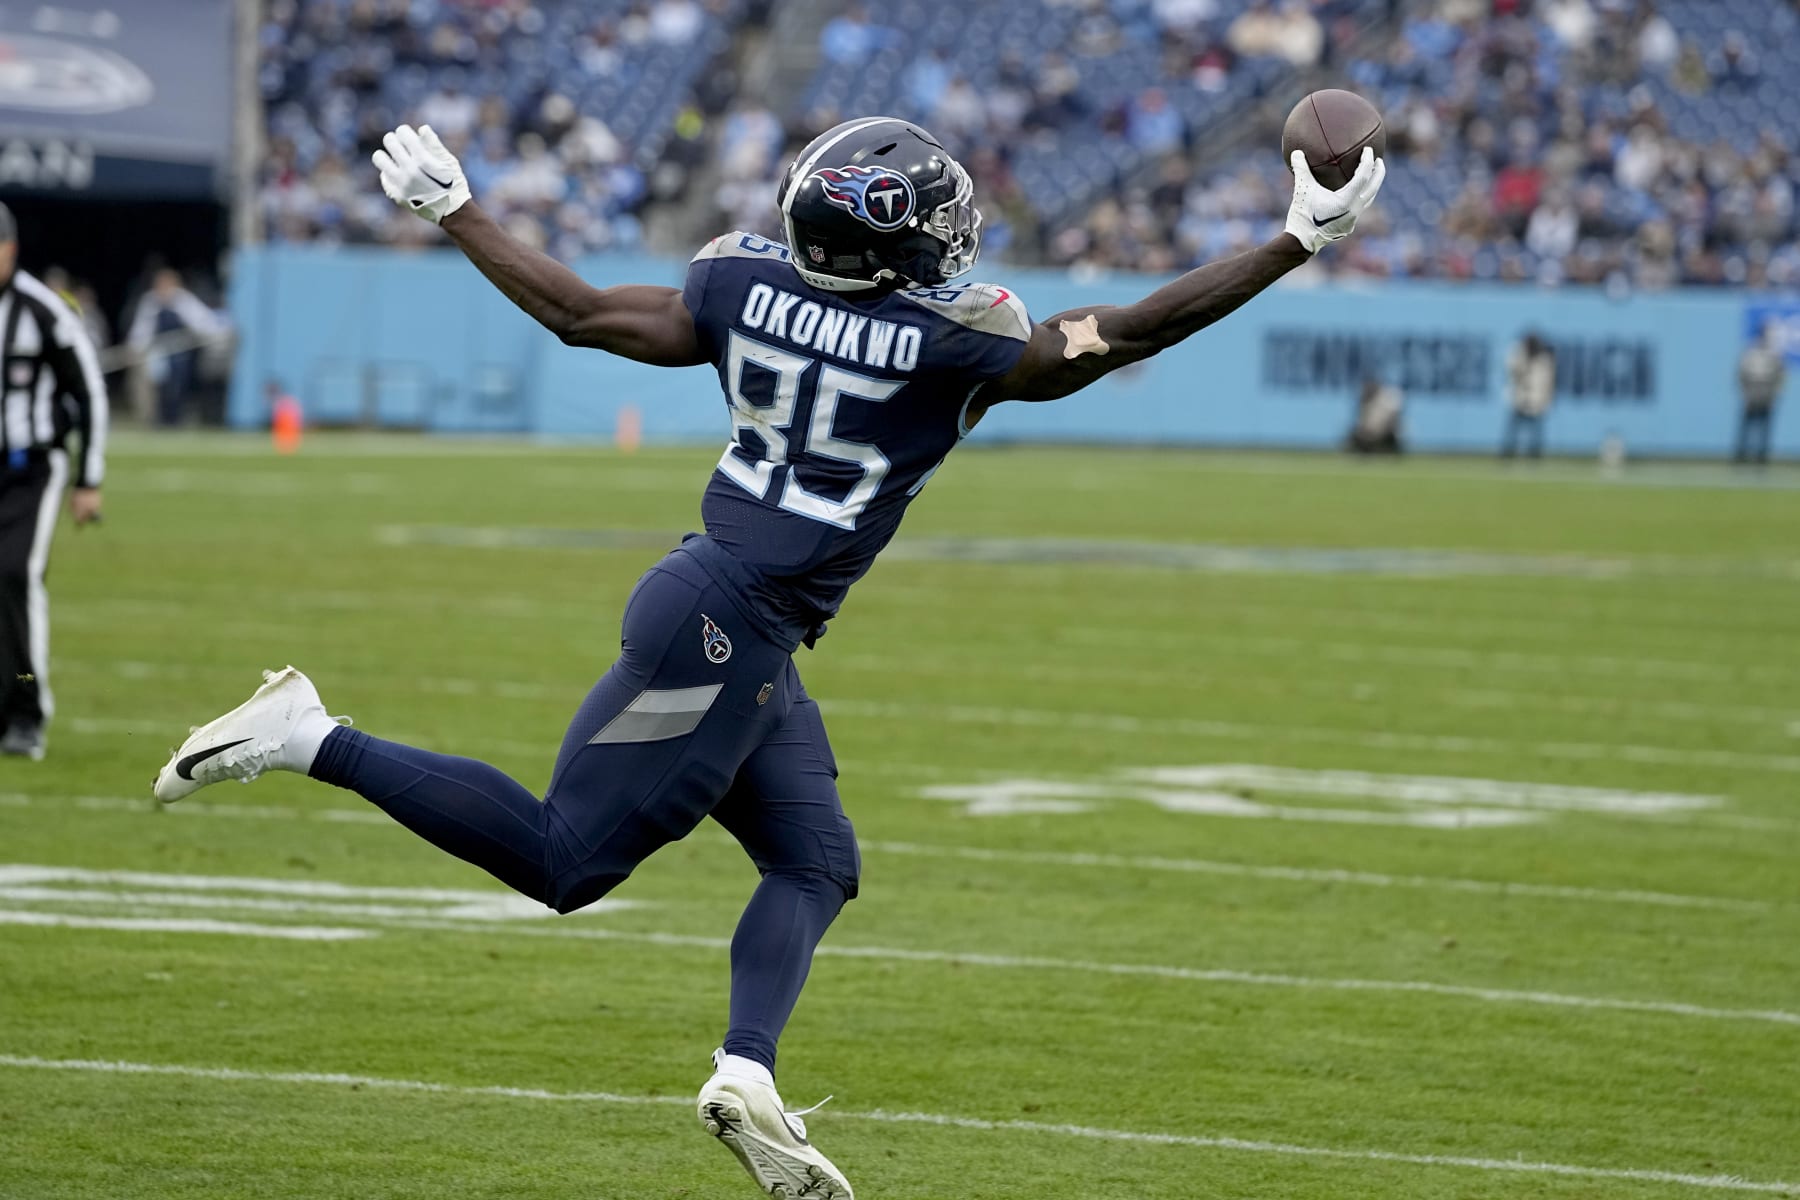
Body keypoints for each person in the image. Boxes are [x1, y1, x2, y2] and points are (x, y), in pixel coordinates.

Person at [154, 119, 1385, 1198]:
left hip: (730, 611)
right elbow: (1132, 327)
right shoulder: (959, 344)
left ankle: (747, 1075)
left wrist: (457, 212)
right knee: (561, 860)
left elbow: (582, 315)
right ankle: (310, 734)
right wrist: (1294, 242)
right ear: (896, 248)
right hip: (720, 632)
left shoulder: (739, 283)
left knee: (816, 860)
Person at [0, 202, 108, 760]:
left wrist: (89, 479)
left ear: (11, 248)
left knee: (16, 576)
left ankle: (27, 711)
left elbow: (88, 391)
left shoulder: (43, 311)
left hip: (31, 469)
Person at [126, 268, 230, 426]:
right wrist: (135, 348)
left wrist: (217, 334)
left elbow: (203, 322)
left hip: (179, 354)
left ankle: (175, 419)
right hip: (158, 353)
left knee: (177, 386)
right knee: (156, 386)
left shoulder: (183, 301)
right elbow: (141, 331)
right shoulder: (150, 302)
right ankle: (157, 420)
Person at [1736, 320, 1785, 465]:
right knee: (1747, 428)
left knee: (1764, 429)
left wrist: (1774, 394)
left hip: (1767, 395)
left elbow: (1780, 376)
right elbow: (1742, 373)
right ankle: (1741, 455)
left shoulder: (1774, 354)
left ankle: (1761, 457)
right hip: (1752, 394)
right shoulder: (1751, 352)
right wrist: (1745, 393)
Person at [1502, 330, 1556, 458]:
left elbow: (1547, 382)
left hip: (1537, 400)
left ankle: (1535, 454)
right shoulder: (1519, 355)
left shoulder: (1544, 359)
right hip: (1520, 398)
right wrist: (1523, 356)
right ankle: (1508, 453)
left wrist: (1546, 399)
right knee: (1513, 429)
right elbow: (1511, 371)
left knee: (1536, 431)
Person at [1347, 375, 1403, 454]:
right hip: (1369, 434)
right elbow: (1362, 423)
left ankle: (1389, 450)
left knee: (1393, 434)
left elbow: (1392, 421)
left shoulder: (1387, 400)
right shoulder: (1365, 403)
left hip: (1387, 433)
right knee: (1357, 435)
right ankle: (1366, 450)